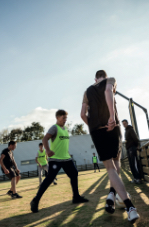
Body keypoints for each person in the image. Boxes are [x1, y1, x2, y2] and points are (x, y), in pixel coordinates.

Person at [81, 70, 140, 222]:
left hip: (96, 130)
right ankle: (124, 203)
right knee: (116, 162)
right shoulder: (110, 80)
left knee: (110, 168)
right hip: (112, 126)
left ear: (95, 78)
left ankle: (117, 199)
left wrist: (93, 127)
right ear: (104, 76)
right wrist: (112, 116)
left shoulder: (87, 91)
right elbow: (108, 91)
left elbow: (82, 114)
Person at [30, 110, 89, 213]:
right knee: (49, 179)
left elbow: (63, 144)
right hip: (55, 159)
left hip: (66, 158)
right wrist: (48, 150)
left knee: (74, 174)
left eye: (66, 118)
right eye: (63, 118)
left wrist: (67, 153)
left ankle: (76, 197)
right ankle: (35, 200)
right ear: (57, 117)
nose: (65, 120)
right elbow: (44, 139)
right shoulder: (54, 128)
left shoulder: (65, 129)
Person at [121, 120, 141, 184]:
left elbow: (135, 138)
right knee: (131, 164)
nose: (124, 125)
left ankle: (138, 178)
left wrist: (137, 145)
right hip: (128, 149)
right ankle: (135, 178)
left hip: (132, 148)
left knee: (134, 163)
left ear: (127, 123)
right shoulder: (126, 131)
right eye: (123, 124)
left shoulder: (130, 129)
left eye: (125, 123)